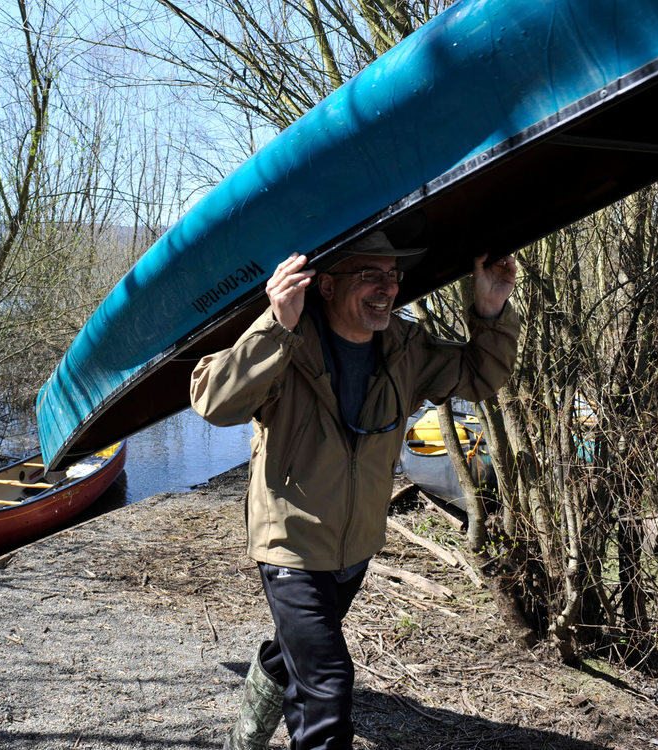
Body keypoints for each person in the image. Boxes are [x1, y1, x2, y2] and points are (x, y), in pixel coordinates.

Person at [189, 230, 519, 750]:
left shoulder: (405, 348)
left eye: (393, 276)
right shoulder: (288, 341)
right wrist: (275, 323)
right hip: (291, 544)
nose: (387, 288)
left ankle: (241, 741)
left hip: (356, 543)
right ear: (324, 284)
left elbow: (478, 377)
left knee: (293, 653)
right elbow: (213, 401)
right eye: (370, 275)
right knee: (325, 684)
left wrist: (491, 310)